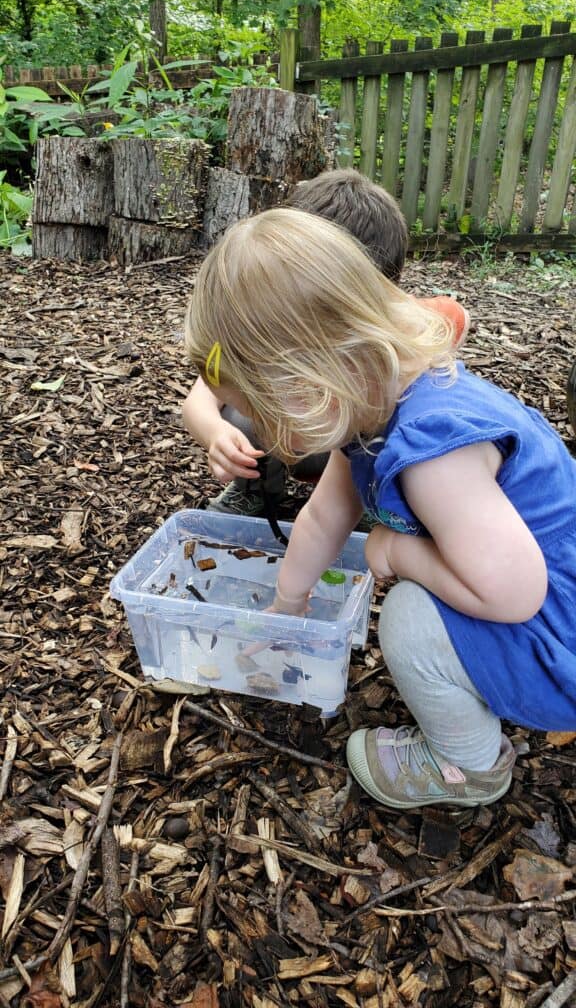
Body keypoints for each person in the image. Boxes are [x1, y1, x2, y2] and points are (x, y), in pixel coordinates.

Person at [184, 207, 576, 810]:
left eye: (265, 413)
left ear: (310, 380)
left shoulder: (430, 454)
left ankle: (468, 766)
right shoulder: (372, 404)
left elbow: (514, 593)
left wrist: (399, 551)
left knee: (409, 618)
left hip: (557, 634)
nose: (263, 431)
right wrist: (286, 610)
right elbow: (321, 517)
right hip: (537, 597)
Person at [182, 169, 469, 517]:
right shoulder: (264, 328)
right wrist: (217, 436)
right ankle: (256, 491)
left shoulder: (417, 324)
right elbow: (200, 399)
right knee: (243, 406)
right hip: (301, 443)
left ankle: (372, 499)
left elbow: (454, 318)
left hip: (364, 446)